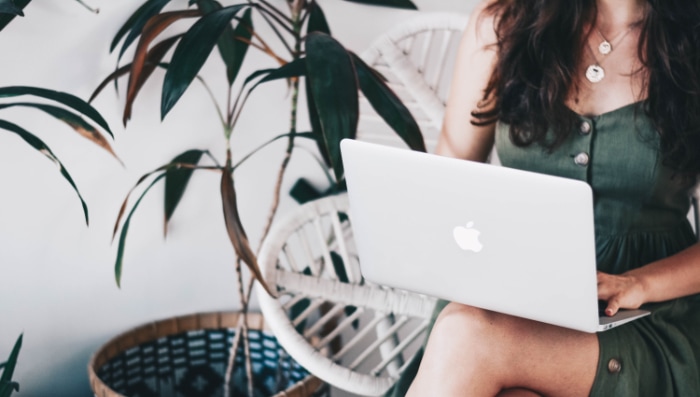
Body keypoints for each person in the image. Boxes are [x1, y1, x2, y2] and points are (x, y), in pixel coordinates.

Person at [385, 0, 700, 396]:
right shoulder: (504, 22)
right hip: (511, 296)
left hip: (648, 312)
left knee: (468, 336)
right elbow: (451, 172)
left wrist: (640, 284)